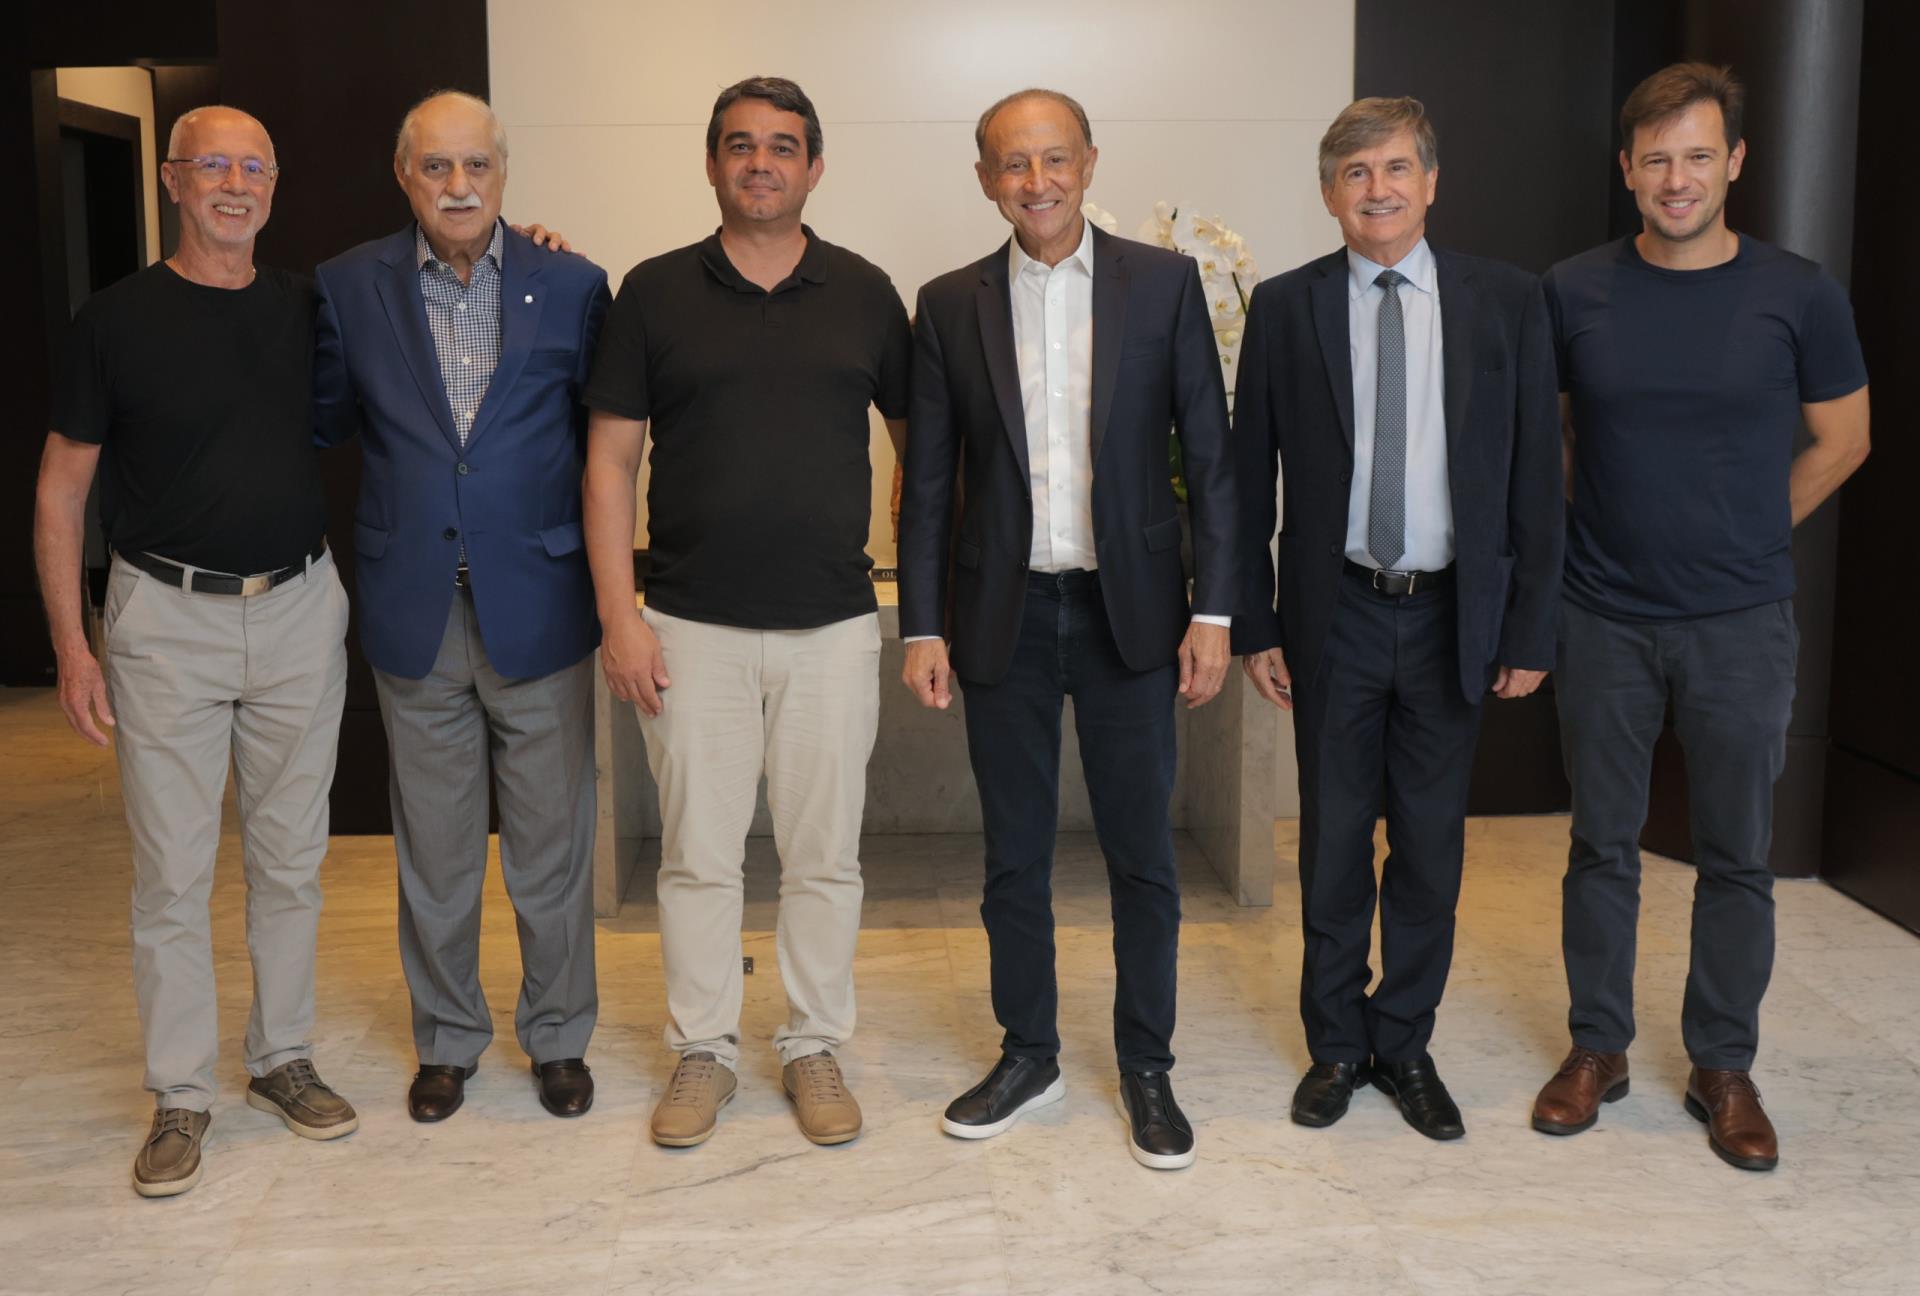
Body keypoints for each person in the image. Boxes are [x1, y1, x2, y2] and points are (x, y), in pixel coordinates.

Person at [1532, 63, 1869, 1172]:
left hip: (1740, 622)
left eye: (1697, 156)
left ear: (1734, 163)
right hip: (1603, 615)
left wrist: (1748, 531)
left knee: (1736, 854)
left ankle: (1723, 1066)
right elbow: (1557, 437)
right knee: (1601, 844)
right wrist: (1603, 528)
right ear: (1628, 171)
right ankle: (1599, 1047)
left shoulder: (1800, 292)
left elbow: (1846, 438)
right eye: (1656, 159)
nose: (1677, 178)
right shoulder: (1573, 290)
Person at [899, 88, 1239, 1171]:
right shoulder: (947, 303)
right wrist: (920, 626)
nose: (1035, 181)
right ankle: (1029, 1054)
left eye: (1053, 159)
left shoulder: (1165, 284)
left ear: (1089, 163)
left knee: (1144, 856)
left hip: (1130, 611)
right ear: (985, 180)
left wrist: (1214, 609)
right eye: (1013, 164)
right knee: (1014, 858)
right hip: (1002, 611)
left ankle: (1147, 1064)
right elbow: (929, 482)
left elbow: (1212, 458)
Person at [34, 106, 357, 1197]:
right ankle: (181, 1092)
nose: (233, 182)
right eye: (211, 163)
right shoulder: (114, 320)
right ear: (171, 181)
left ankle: (282, 1058)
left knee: (291, 859)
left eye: (252, 166)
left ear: (273, 184)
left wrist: (530, 241)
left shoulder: (310, 306)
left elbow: (425, 291)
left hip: (299, 606)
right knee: (172, 872)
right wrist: (72, 644)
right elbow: (61, 491)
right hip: (165, 619)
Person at [582, 76, 911, 1149]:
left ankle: (813, 1044)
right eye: (740, 144)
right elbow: (609, 463)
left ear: (814, 166)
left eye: (781, 146)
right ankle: (704, 1051)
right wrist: (620, 616)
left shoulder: (865, 292)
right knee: (697, 857)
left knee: (825, 856)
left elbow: (923, 455)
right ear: (712, 162)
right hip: (690, 626)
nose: (760, 162)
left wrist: (921, 599)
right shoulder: (652, 292)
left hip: (832, 625)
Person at [1233, 97, 1562, 1140]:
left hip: (1449, 616)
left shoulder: (1506, 301)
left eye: (1395, 168)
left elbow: (1536, 477)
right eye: (1355, 172)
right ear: (1329, 193)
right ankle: (1336, 1045)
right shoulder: (1285, 306)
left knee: (1428, 847)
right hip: (1333, 613)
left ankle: (1405, 1043)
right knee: (1332, 842)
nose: (1377, 189)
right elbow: (1244, 478)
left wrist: (1529, 628)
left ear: (1431, 182)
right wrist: (1255, 623)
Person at [312, 90, 611, 1124]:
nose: (457, 185)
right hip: (414, 606)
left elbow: (606, 443)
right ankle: (446, 1041)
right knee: (434, 851)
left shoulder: (572, 284)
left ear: (503, 173)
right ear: (404, 175)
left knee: (551, 848)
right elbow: (318, 422)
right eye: (435, 166)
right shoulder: (347, 286)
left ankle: (559, 1036)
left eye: (476, 165)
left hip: (543, 600)